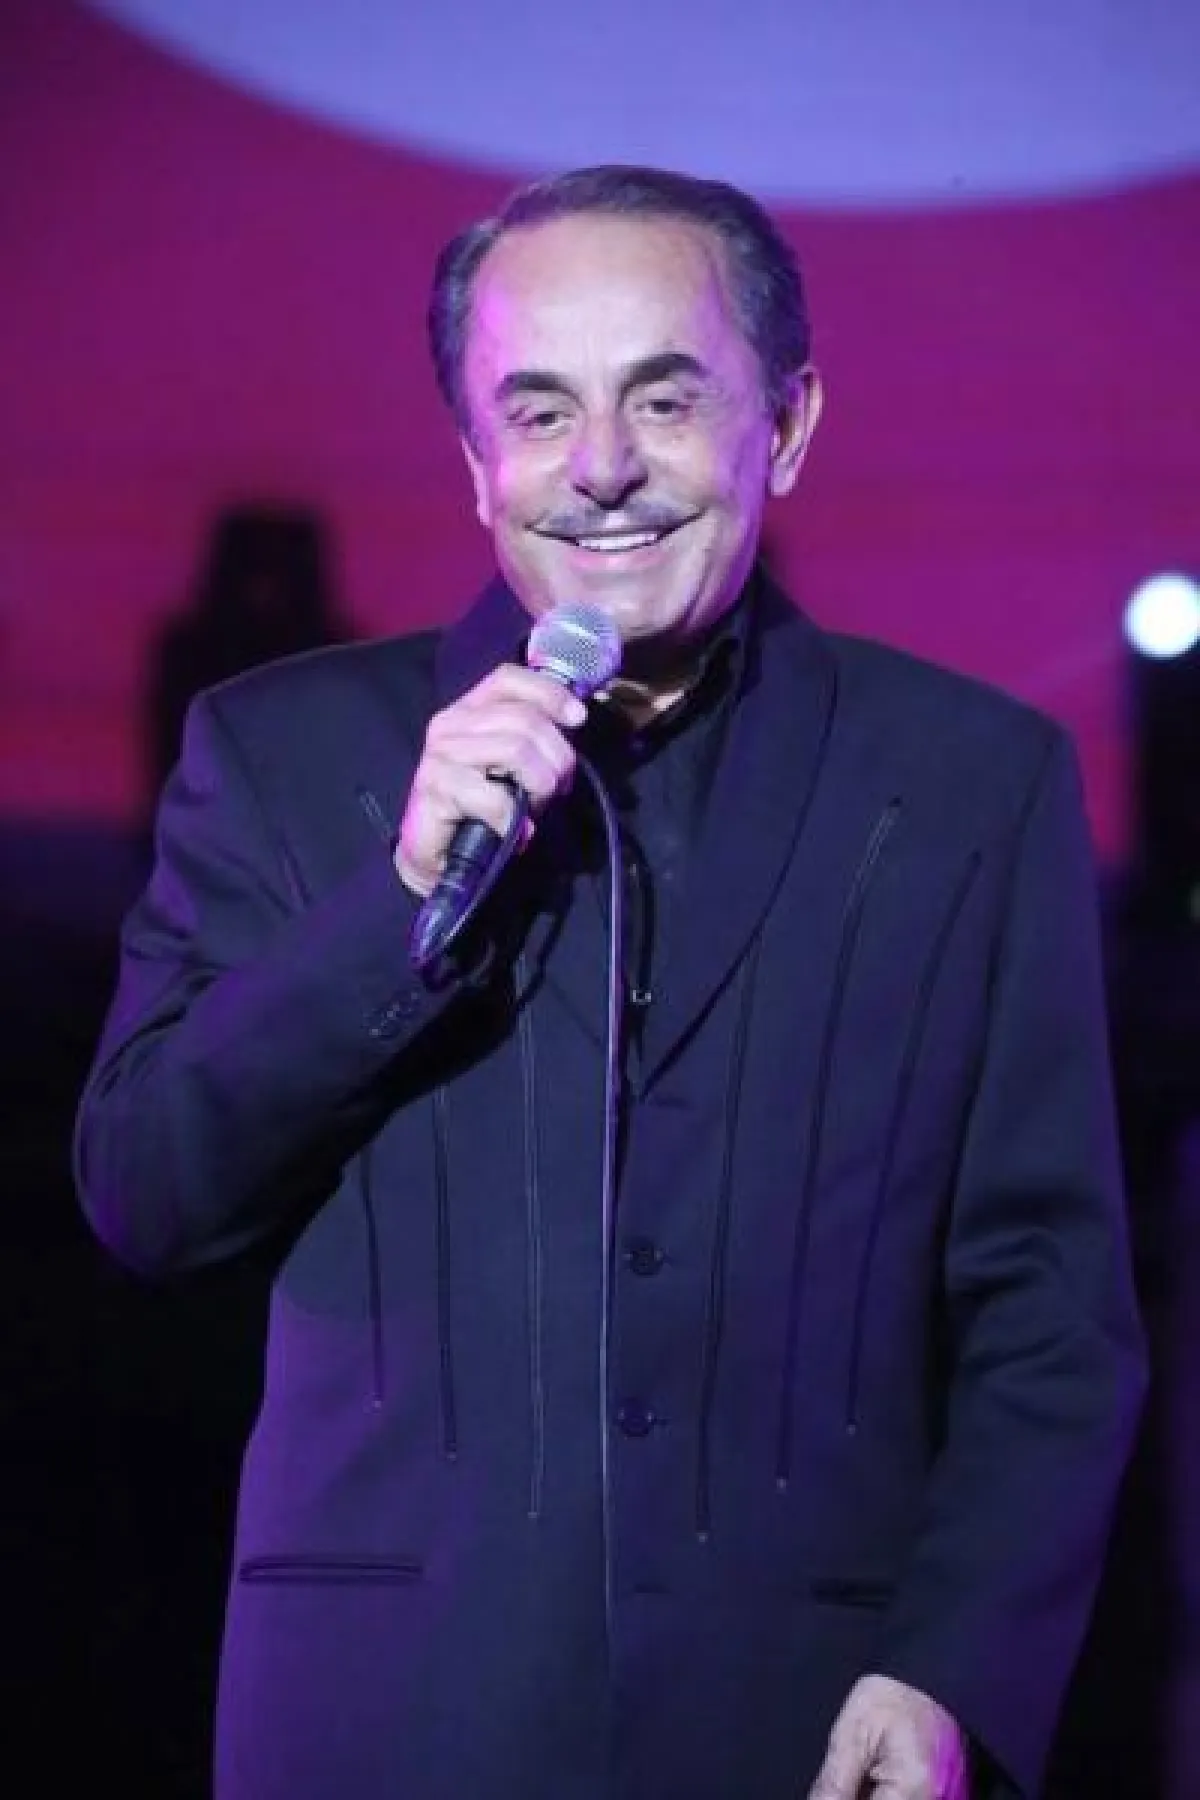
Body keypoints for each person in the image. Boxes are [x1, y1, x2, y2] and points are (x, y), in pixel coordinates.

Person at [74, 165, 1146, 1800]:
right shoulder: (281, 757)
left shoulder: (969, 788)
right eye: (540, 411)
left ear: (786, 425)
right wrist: (399, 903)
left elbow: (1051, 1315)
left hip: (804, 1728)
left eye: (663, 398)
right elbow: (148, 1194)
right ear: (476, 462)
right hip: (386, 1725)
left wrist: (957, 1666)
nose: (602, 468)